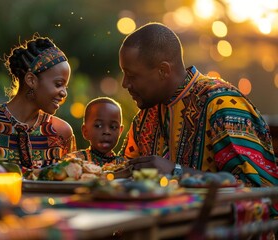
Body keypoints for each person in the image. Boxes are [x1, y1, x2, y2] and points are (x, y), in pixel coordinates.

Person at [118, 22, 278, 187]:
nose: (124, 84)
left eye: (132, 75)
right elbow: (122, 172)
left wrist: (176, 171)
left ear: (163, 71)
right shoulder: (146, 116)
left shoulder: (223, 107)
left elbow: (258, 190)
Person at [0, 33, 76, 173]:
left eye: (66, 87)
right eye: (59, 84)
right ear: (31, 80)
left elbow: (70, 182)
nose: (64, 93)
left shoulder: (61, 133)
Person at [62, 97, 125, 167]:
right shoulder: (74, 161)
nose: (106, 132)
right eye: (98, 126)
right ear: (85, 131)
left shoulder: (124, 165)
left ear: (120, 131)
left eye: (113, 127)